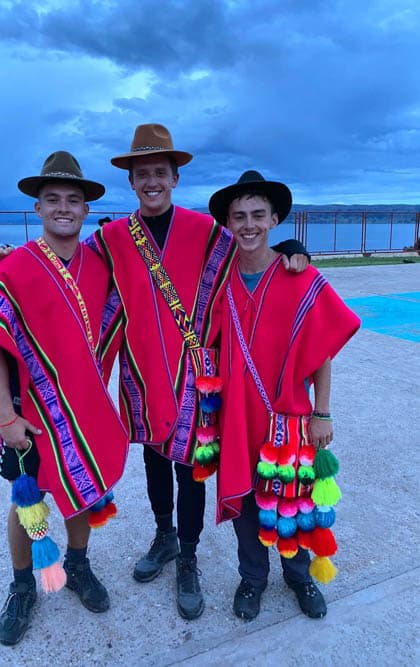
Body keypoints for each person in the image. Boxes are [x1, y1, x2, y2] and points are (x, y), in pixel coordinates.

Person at [87, 124, 310, 619]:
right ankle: (164, 536)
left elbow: (254, 252)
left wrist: (295, 246)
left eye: (160, 173)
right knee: (152, 463)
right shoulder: (111, 239)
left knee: (192, 470)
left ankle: (187, 556)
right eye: (142, 173)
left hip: (195, 377)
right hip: (140, 376)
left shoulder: (207, 232)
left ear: (175, 177)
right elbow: (83, 284)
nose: (151, 181)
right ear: (131, 180)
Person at [0, 151, 128, 645]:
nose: (64, 208)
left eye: (73, 200)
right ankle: (23, 584)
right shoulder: (14, 269)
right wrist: (5, 417)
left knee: (80, 493)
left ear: (87, 209)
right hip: (31, 414)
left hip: (86, 408)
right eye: (53, 200)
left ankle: (78, 565)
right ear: (38, 207)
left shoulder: (101, 265)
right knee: (26, 502)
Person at [209, 170, 360, 620]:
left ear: (275, 219)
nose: (248, 224)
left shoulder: (299, 276)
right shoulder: (218, 283)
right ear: (228, 224)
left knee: (293, 500)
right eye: (239, 216)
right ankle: (252, 579)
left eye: (258, 214)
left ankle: (299, 578)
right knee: (247, 503)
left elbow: (322, 352)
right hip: (236, 417)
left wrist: (323, 413)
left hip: (289, 417)